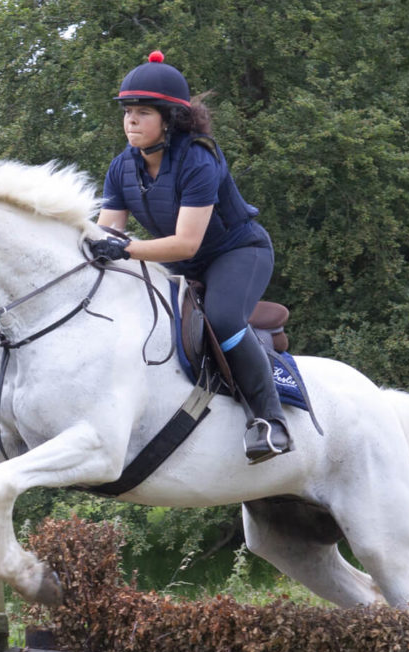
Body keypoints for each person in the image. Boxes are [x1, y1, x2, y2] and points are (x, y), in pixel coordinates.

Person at [88, 51, 292, 464]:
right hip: (180, 261)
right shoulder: (120, 168)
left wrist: (126, 248)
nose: (131, 121)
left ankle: (269, 421)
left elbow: (185, 243)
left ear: (170, 120)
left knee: (222, 318)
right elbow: (109, 232)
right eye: (128, 112)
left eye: (143, 112)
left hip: (237, 252)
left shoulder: (200, 157)